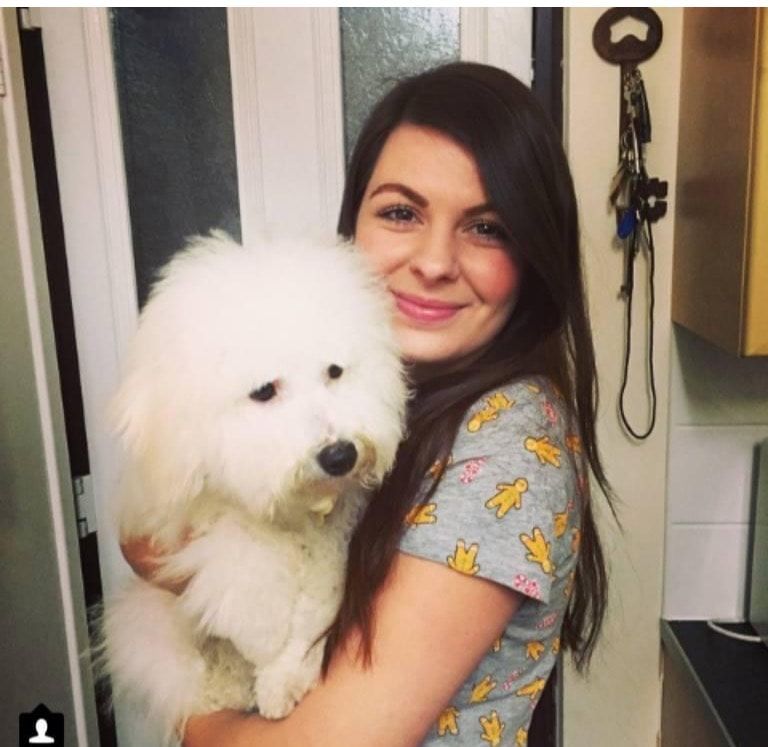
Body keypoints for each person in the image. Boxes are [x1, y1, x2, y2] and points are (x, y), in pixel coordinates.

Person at [121, 61, 615, 746]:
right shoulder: (383, 388)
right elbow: (154, 534)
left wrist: (185, 710)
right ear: (353, 220)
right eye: (401, 213)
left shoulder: (509, 440)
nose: (434, 262)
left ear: (533, 254)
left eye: (487, 227)